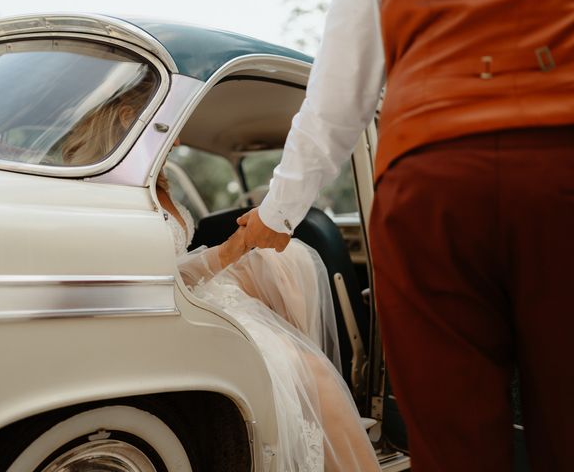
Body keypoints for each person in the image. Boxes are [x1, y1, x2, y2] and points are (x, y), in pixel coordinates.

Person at [239, 0, 574, 471]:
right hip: (560, 156)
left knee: (453, 441)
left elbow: (335, 100)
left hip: (431, 178)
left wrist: (276, 215)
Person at [64, 92, 381, 471]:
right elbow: (151, 278)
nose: (177, 141)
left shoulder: (156, 180)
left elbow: (179, 261)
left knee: (288, 265)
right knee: (307, 374)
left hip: (194, 294)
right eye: (169, 127)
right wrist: (234, 249)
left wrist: (244, 249)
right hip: (166, 310)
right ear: (128, 116)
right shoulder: (101, 193)